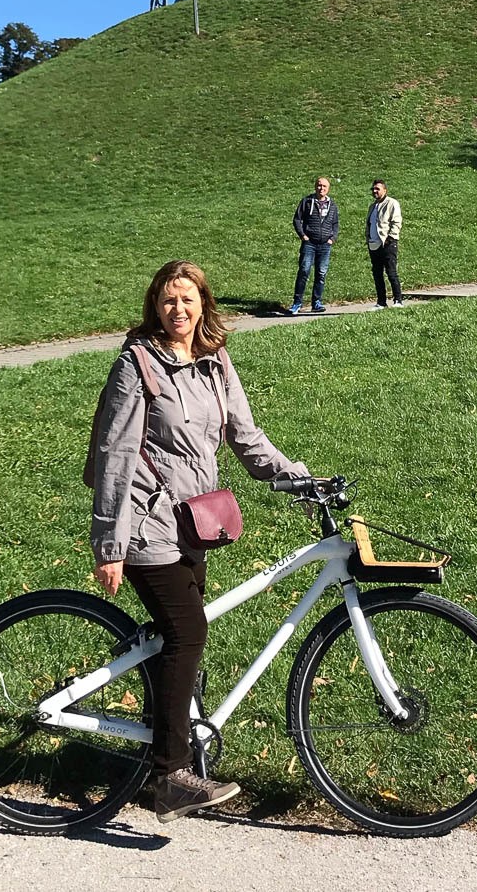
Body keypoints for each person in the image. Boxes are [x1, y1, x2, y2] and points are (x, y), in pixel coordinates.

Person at [90, 260, 309, 822]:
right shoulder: (137, 365)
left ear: (203, 304)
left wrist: (300, 478)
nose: (177, 310)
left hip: (191, 523)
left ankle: (167, 755)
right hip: (143, 523)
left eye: (187, 300)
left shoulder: (214, 361)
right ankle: (169, 777)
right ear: (154, 306)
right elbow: (115, 457)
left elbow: (245, 436)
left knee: (175, 640)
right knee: (188, 632)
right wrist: (110, 545)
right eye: (167, 301)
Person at [288, 176, 339, 315]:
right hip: (309, 243)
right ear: (315, 186)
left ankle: (316, 302)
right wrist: (303, 235)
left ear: (328, 189)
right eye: (319, 185)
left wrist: (332, 239)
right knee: (304, 271)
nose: (321, 188)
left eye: (324, 186)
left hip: (325, 245)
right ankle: (297, 303)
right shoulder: (307, 202)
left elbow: (335, 224)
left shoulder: (332, 205)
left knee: (321, 274)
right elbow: (297, 219)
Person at [365, 178, 404, 308]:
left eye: (377, 189)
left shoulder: (392, 203)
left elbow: (396, 222)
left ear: (384, 190)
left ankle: (398, 300)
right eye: (373, 189)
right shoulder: (373, 206)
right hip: (374, 244)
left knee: (391, 272)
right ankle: (381, 302)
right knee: (377, 274)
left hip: (387, 244)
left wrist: (390, 238)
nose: (374, 191)